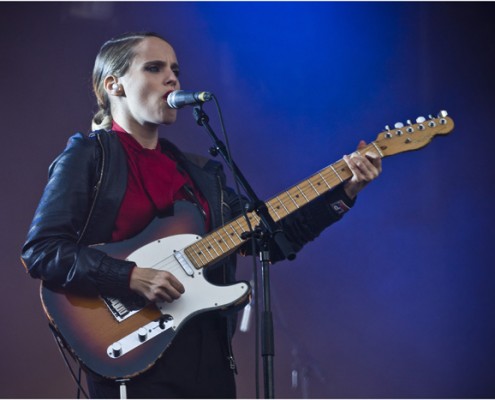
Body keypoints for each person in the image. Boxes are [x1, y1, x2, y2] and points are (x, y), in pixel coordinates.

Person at [21, 31, 382, 399]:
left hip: (207, 363)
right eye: (154, 68)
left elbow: (271, 241)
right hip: (130, 356)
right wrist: (129, 276)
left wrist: (345, 191)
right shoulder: (89, 156)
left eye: (175, 69)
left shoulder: (199, 174)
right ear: (113, 85)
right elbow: (42, 251)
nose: (173, 78)